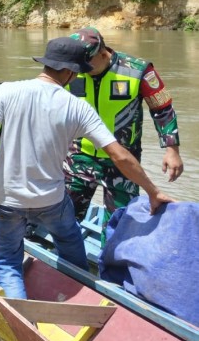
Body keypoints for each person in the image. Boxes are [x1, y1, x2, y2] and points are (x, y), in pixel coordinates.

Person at [0, 36, 174, 300]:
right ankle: (82, 292)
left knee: (6, 261)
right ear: (71, 72)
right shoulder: (78, 107)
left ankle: (19, 309)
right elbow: (120, 155)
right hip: (51, 200)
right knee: (70, 241)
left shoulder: (6, 91)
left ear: (46, 63)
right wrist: (152, 191)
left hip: (6, 199)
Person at [66, 27, 184, 221]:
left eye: (86, 62)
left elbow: (163, 109)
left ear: (103, 53)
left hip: (123, 161)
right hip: (78, 156)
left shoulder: (138, 71)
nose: (80, 68)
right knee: (64, 218)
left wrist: (172, 150)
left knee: (119, 223)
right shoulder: (70, 68)